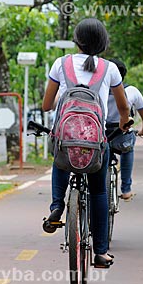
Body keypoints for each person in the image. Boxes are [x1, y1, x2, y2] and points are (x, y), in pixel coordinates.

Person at [42, 18, 131, 267]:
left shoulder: (61, 64)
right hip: (95, 144)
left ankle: (57, 206)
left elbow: (47, 105)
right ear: (103, 43)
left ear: (76, 41)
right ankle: (100, 252)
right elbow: (123, 107)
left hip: (67, 140)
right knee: (99, 191)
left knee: (60, 157)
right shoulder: (110, 68)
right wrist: (125, 122)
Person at [106, 59, 143, 202]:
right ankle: (126, 190)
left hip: (99, 136)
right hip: (121, 137)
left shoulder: (96, 89)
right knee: (128, 149)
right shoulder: (131, 91)